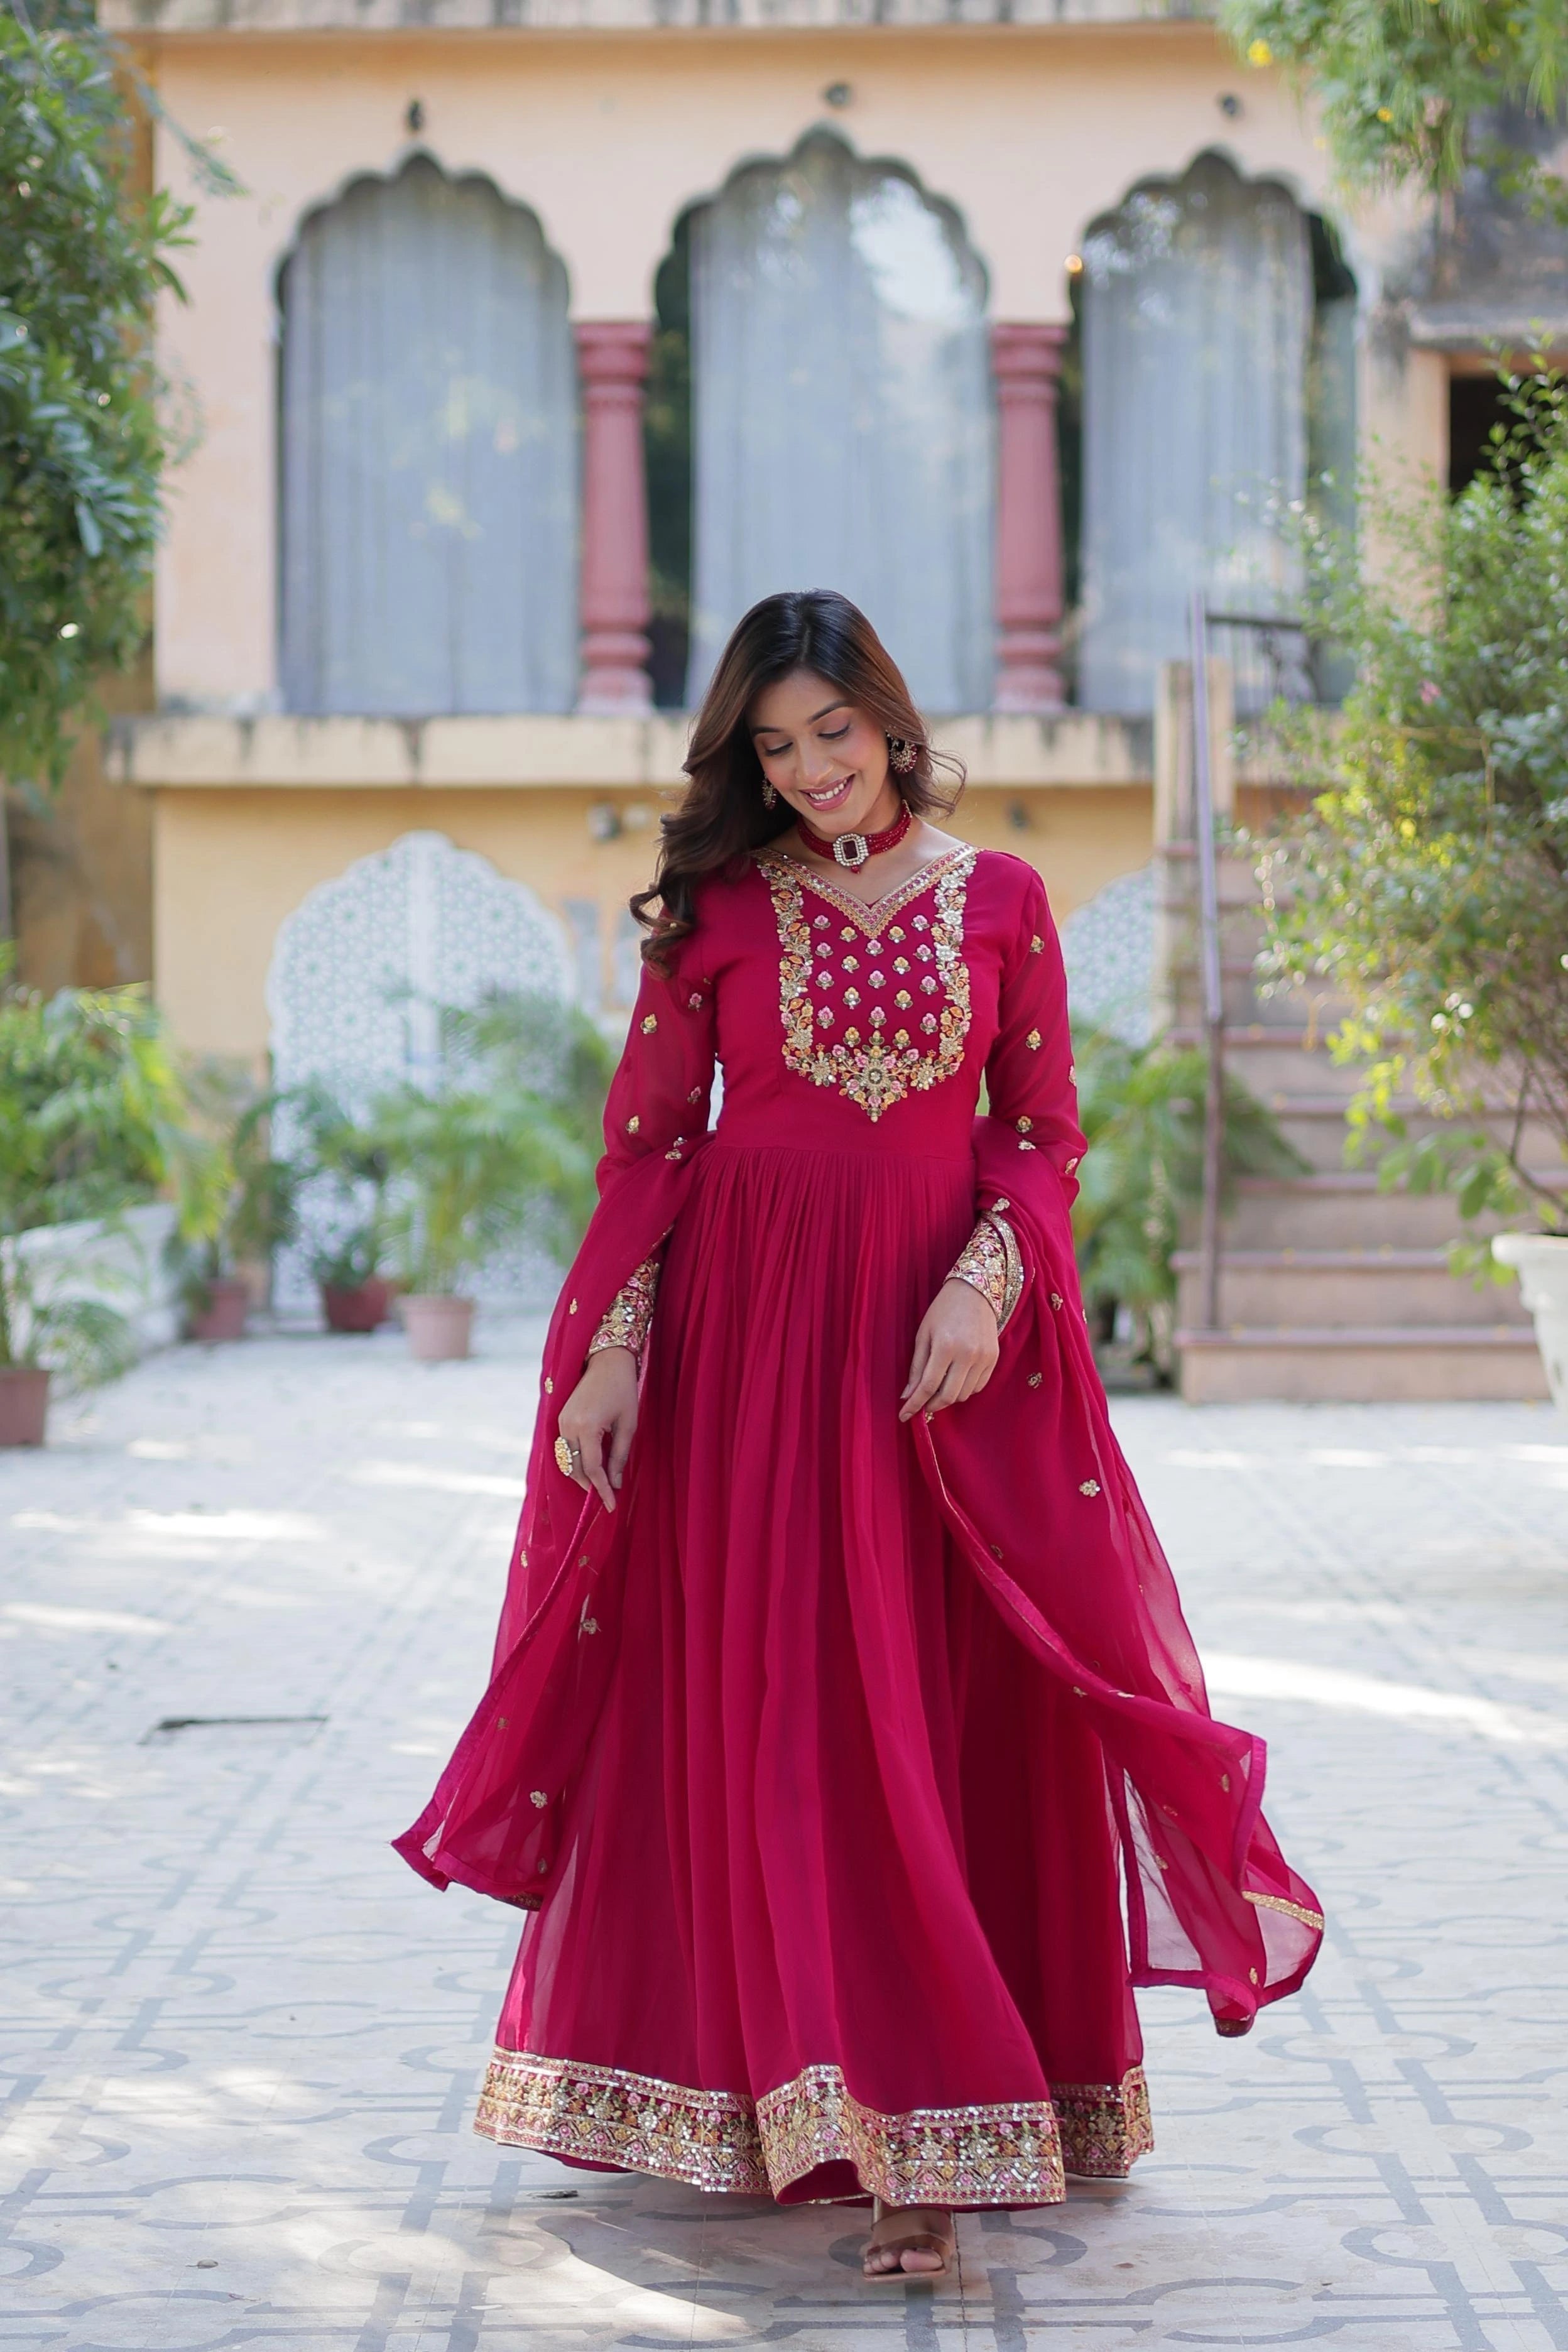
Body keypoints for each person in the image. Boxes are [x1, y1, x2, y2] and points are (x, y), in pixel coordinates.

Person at [396, 590, 1322, 2280]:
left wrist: (982, 1291)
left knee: (929, 1711)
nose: (813, 770)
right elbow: (654, 1151)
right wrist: (611, 1350)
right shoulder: (719, 917)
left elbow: (1040, 1135)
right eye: (775, 746)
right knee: (795, 1716)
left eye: (834, 732)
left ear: (892, 721)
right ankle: (832, 2106)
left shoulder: (1009, 901)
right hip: (750, 1363)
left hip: (935, 1366)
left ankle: (939, 2117)